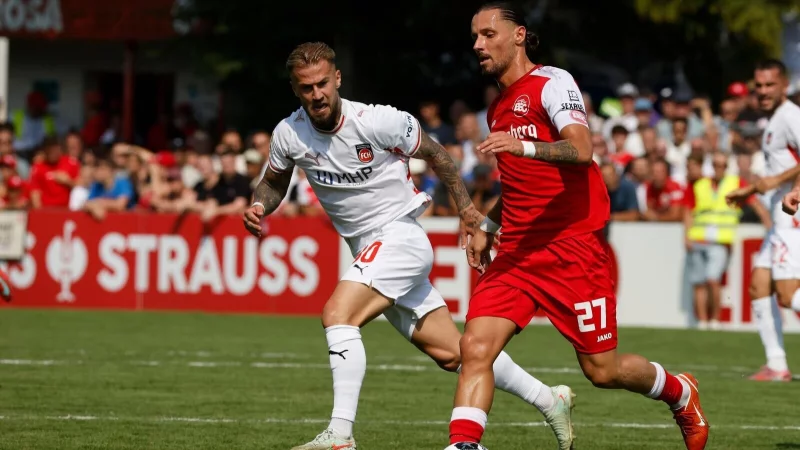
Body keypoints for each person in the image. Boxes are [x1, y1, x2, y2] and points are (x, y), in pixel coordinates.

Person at [242, 41, 575, 450]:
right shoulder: (289, 133)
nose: (317, 94)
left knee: (338, 314)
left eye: (323, 83)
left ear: (337, 79)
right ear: (295, 89)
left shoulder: (377, 121)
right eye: (307, 88)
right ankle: (550, 399)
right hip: (367, 249)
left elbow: (438, 155)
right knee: (455, 353)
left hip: (399, 237)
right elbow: (274, 181)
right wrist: (260, 205)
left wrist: (467, 211)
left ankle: (340, 435)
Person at [447, 3, 709, 450]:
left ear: (518, 35)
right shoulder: (498, 108)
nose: (478, 44)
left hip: (572, 248)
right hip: (519, 253)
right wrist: (488, 223)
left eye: (489, 34)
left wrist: (526, 146)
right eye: (475, 36)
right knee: (474, 346)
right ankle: (464, 445)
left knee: (602, 371)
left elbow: (583, 150)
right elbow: (522, 184)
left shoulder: (553, 82)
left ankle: (680, 391)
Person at [726, 59, 800, 382]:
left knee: (787, 295)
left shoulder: (791, 116)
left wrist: (779, 184)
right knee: (758, 286)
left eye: (770, 85)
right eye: (759, 85)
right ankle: (777, 364)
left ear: (784, 85)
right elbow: (779, 171)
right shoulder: (773, 121)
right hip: (780, 219)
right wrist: (754, 188)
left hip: (793, 216)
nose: (764, 91)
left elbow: (783, 174)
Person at [686, 153, 770, 329]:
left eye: (722, 165)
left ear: (726, 167)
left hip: (720, 241)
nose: (719, 168)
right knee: (698, 283)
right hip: (698, 238)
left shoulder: (735, 183)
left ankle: (715, 320)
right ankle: (702, 321)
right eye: (716, 164)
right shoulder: (700, 185)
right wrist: (686, 235)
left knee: (712, 279)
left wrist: (768, 224)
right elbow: (688, 210)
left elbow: (754, 202)